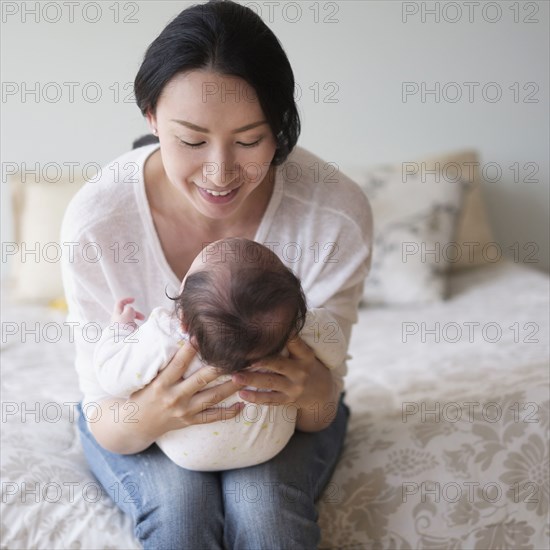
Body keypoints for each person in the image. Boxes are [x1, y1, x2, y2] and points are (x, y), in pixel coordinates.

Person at [61, 0, 373, 548]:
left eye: (251, 141)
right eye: (192, 140)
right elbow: (105, 410)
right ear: (151, 116)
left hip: (281, 418)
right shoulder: (97, 224)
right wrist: (152, 415)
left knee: (267, 514)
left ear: (281, 126)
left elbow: (321, 406)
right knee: (180, 520)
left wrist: (307, 389)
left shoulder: (333, 214)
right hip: (131, 415)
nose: (220, 173)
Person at [93, 237, 347, 471]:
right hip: (266, 450)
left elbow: (110, 375)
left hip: (187, 454)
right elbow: (336, 355)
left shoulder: (164, 338)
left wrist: (120, 329)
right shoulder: (296, 329)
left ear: (182, 320)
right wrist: (314, 324)